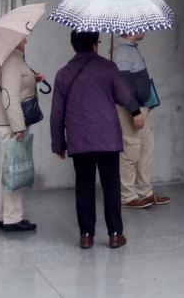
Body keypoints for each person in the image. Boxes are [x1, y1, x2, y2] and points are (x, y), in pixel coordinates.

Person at [51, 30, 144, 249]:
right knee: (111, 185)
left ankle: (86, 235)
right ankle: (114, 234)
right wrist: (136, 111)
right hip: (107, 138)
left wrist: (58, 144)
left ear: (74, 46)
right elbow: (123, 94)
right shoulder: (108, 67)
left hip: (79, 139)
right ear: (95, 44)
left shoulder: (63, 73)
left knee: (84, 187)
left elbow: (57, 113)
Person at [113, 33, 171, 210]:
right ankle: (128, 196)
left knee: (146, 149)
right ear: (130, 29)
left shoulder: (132, 50)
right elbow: (123, 86)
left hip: (141, 108)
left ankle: (144, 192)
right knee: (130, 152)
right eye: (140, 27)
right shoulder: (122, 52)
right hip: (133, 110)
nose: (144, 30)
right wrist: (135, 110)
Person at [0, 40, 44, 232]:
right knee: (15, 169)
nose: (27, 40)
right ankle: (12, 218)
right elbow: (9, 96)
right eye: (23, 37)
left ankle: (3, 215)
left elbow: (14, 85)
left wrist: (32, 80)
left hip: (6, 122)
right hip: (11, 124)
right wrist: (18, 127)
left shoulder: (10, 57)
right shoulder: (12, 59)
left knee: (8, 168)